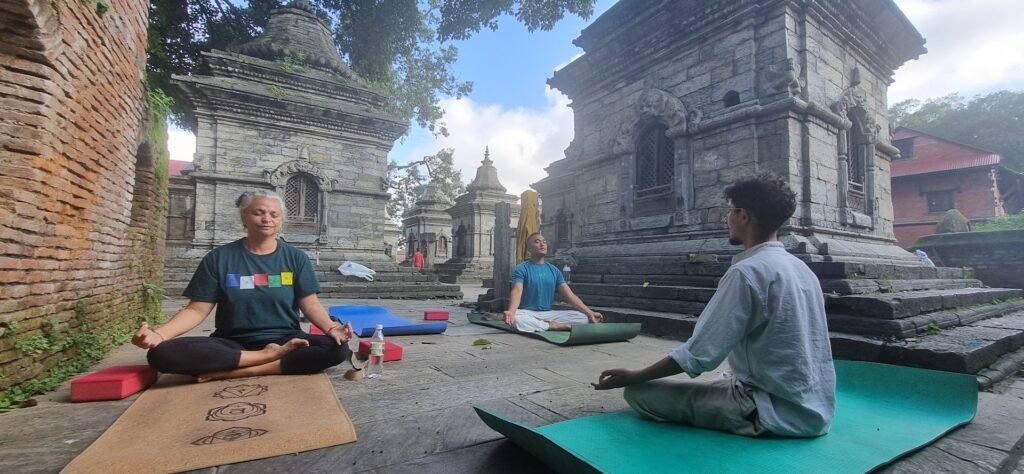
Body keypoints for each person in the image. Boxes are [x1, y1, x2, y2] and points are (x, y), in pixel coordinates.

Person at [592, 173, 836, 437]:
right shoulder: (802, 269)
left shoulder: (747, 273)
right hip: (814, 409)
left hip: (768, 411)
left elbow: (700, 355)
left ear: (744, 216)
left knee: (640, 394)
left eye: (730, 212)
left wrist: (636, 376)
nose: (726, 219)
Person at [132, 190, 354, 382]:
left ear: (280, 220)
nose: (267, 218)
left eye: (274, 214)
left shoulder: (296, 258)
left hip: (286, 338)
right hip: (232, 342)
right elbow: (196, 309)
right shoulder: (219, 258)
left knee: (337, 349)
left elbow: (311, 304)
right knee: (161, 354)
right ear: (244, 217)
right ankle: (265, 358)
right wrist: (159, 335)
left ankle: (239, 371)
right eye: (259, 212)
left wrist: (332, 328)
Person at [503, 232, 603, 332]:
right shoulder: (521, 268)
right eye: (537, 242)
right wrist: (511, 312)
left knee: (582, 318)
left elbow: (570, 296)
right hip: (527, 312)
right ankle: (551, 326)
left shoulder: (554, 270)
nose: (542, 244)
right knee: (517, 318)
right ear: (529, 248)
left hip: (549, 314)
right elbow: (516, 291)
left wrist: (590, 313)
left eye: (544, 242)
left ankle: (542, 325)